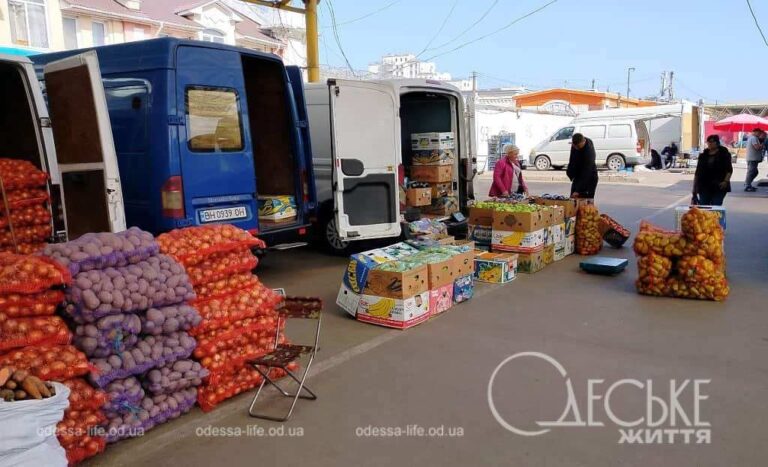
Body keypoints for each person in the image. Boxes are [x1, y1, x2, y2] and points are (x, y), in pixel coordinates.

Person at [693, 135, 733, 206]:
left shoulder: (724, 154)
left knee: (716, 206)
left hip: (719, 185)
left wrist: (725, 181)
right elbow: (698, 172)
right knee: (704, 207)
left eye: (712, 141)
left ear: (717, 142)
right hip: (704, 185)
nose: (710, 143)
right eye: (708, 142)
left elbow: (729, 170)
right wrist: (694, 188)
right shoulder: (703, 155)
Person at [567, 133, 598, 198]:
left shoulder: (589, 152)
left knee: (584, 203)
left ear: (583, 142)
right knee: (573, 200)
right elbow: (572, 158)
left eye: (578, 147)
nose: (576, 148)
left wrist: (578, 190)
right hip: (578, 175)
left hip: (589, 178)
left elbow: (587, 172)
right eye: (574, 146)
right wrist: (570, 172)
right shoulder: (575, 144)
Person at [744, 128, 764, 192]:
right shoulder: (753, 138)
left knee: (754, 172)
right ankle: (747, 185)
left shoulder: (753, 138)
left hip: (753, 158)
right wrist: (762, 145)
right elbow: (757, 147)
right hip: (752, 158)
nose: (760, 134)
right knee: (751, 172)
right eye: (759, 133)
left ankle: (748, 184)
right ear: (755, 132)